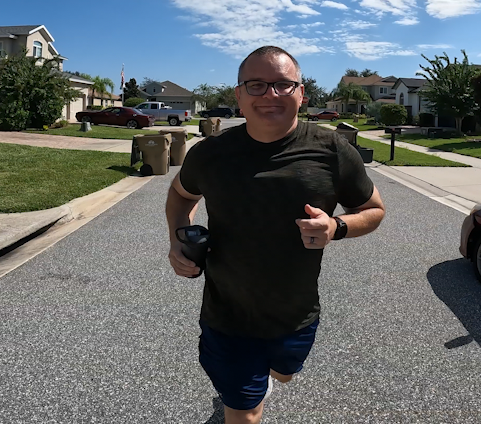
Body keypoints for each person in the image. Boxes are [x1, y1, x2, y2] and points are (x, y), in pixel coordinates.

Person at [165, 46, 385, 424]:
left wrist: (336, 227)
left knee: (283, 374)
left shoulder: (333, 151)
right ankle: (245, 394)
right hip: (227, 317)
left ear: (301, 94)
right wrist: (176, 240)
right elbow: (181, 194)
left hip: (296, 315)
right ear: (239, 95)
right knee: (245, 411)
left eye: (283, 84)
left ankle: (264, 380)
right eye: (256, 85)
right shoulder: (210, 154)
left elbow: (374, 210)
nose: (270, 94)